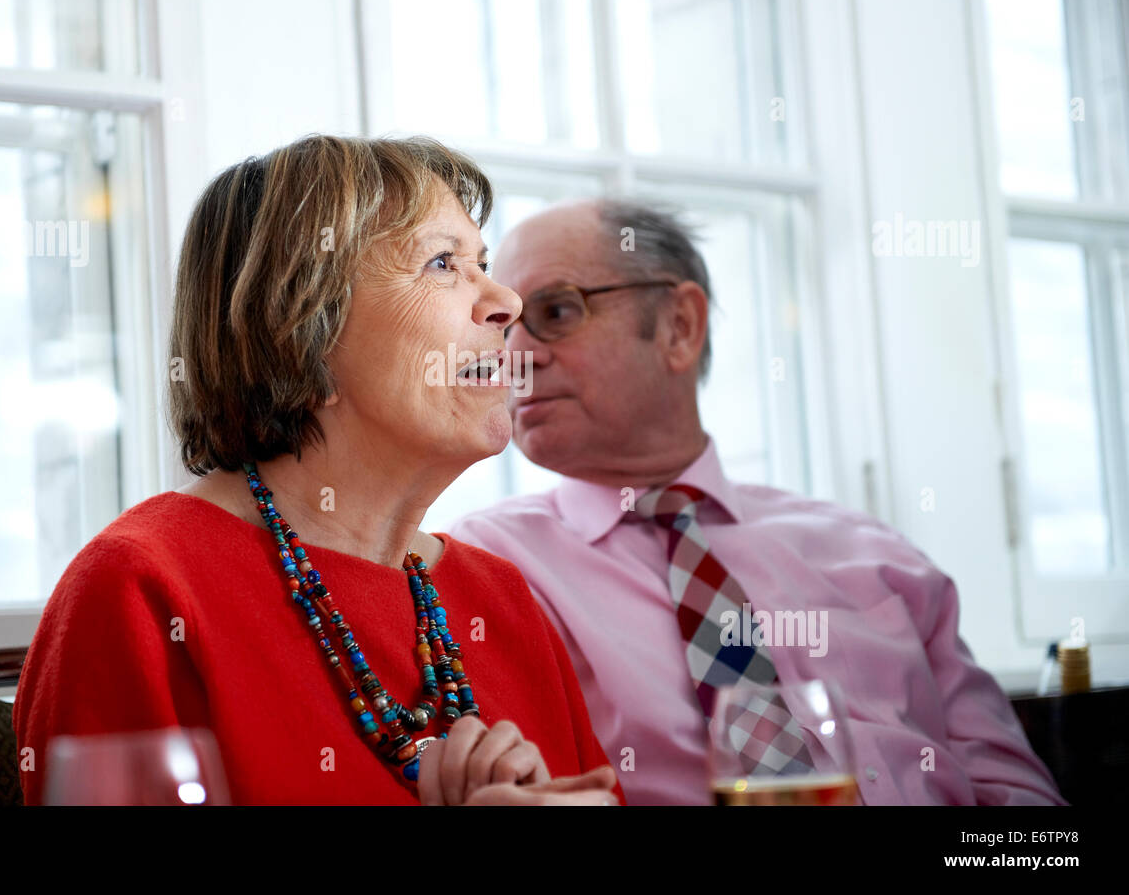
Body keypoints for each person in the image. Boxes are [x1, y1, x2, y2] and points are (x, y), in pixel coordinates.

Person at [13, 136, 625, 806]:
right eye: (443, 263)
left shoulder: (500, 599)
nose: (505, 300)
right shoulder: (139, 590)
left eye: (482, 262)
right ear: (302, 330)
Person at [450, 198, 1067, 805]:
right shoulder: (486, 568)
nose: (516, 359)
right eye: (506, 326)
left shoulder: (879, 557)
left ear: (679, 327)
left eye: (557, 311)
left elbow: (1026, 816)